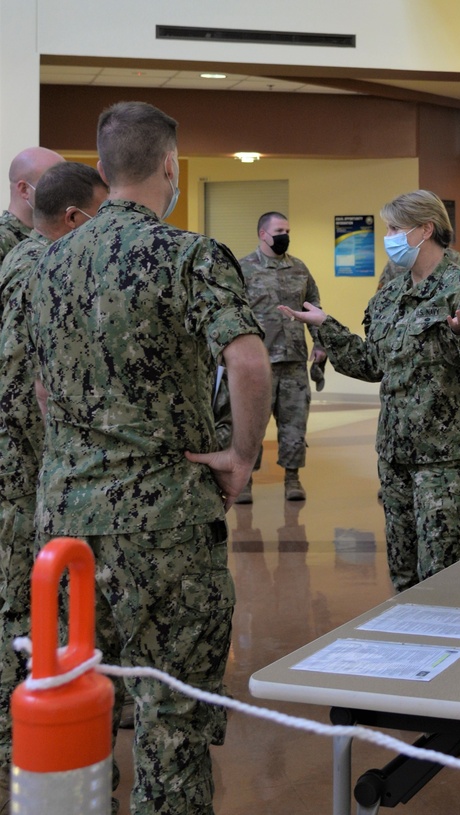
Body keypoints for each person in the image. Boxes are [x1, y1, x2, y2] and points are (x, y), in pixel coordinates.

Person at [28, 100, 272, 815]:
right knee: (170, 719)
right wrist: (241, 454)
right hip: (165, 522)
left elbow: (42, 386)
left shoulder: (46, 262)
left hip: (68, 527)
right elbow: (248, 360)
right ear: (170, 165)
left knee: (82, 704)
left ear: (102, 171)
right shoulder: (187, 254)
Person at [278, 189, 460, 592]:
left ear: (425, 229)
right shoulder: (390, 295)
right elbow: (373, 364)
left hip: (447, 458)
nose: (387, 236)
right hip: (396, 453)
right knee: (403, 576)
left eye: (394, 228)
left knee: (442, 576)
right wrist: (325, 325)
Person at [0, 161, 108, 809]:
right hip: (23, 454)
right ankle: (20, 731)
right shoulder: (36, 262)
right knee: (21, 597)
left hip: (28, 452)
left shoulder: (23, 259)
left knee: (19, 591)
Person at [237, 211, 326, 503]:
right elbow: (233, 314)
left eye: (287, 230)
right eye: (279, 230)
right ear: (263, 234)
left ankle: (292, 479)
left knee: (295, 423)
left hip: (294, 360)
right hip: (257, 364)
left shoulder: (299, 269)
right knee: (251, 423)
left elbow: (315, 309)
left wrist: (321, 344)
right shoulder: (243, 269)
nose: (284, 235)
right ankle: (245, 480)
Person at [0, 146, 64, 263]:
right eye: (53, 183)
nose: (64, 192)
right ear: (24, 189)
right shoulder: (4, 238)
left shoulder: (58, 236)